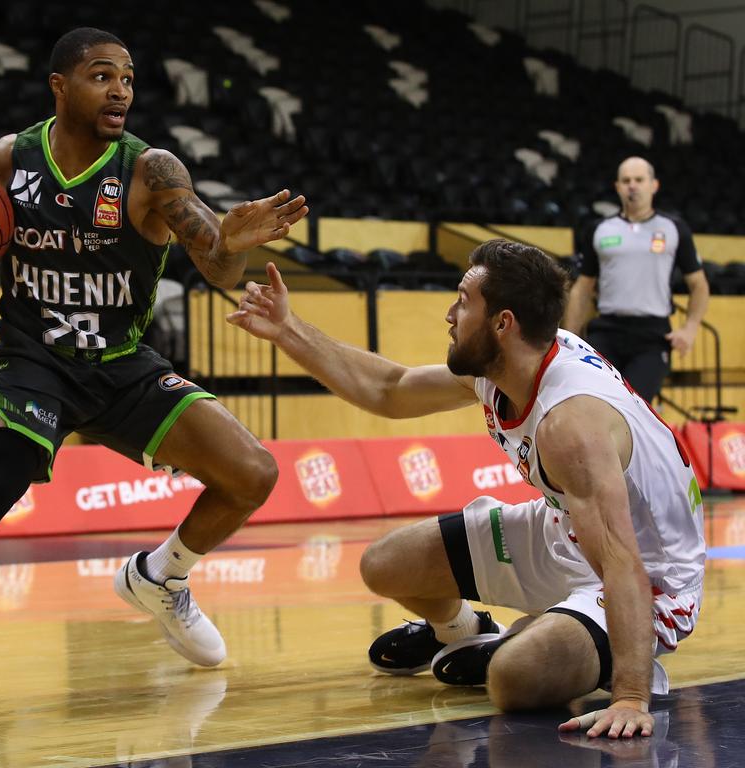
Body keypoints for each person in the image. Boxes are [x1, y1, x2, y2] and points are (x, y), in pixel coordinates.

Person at [0, 27, 307, 712]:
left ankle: (161, 577)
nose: (121, 90)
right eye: (103, 76)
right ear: (60, 86)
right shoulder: (12, 157)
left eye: (128, 77)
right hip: (33, 358)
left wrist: (233, 245)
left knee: (253, 473)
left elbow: (217, 267)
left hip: (122, 362)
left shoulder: (150, 170)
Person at [228, 240, 704, 739]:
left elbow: (622, 560)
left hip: (650, 577)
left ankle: (593, 653)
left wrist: (631, 697)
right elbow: (390, 389)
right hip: (566, 531)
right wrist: (288, 330)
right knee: (386, 563)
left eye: (462, 300)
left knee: (515, 677)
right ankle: (466, 633)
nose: (449, 314)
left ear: (503, 323)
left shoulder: (570, 424)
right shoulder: (510, 362)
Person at [563, 156, 710, 404]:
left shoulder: (674, 229)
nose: (633, 185)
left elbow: (699, 285)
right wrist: (569, 337)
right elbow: (582, 288)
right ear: (618, 187)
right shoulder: (599, 230)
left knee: (635, 406)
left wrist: (690, 328)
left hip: (651, 336)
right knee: (595, 403)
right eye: (626, 180)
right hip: (607, 330)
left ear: (654, 185)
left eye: (639, 180)